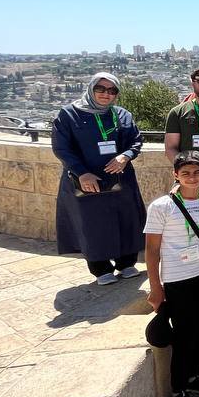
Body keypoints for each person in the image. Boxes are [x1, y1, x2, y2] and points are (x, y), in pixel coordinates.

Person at [143, 151, 199, 397]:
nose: (192, 177)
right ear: (175, 174)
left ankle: (193, 377)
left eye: (197, 172)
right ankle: (177, 391)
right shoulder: (161, 207)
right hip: (177, 280)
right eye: (186, 173)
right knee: (184, 336)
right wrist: (156, 288)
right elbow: (152, 251)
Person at [52, 72, 146, 284]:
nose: (106, 94)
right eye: (100, 89)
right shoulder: (69, 114)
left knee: (125, 219)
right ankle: (100, 268)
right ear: (91, 89)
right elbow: (61, 148)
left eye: (112, 90)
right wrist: (81, 172)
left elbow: (136, 141)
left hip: (120, 177)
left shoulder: (122, 115)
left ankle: (126, 263)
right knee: (92, 222)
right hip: (86, 178)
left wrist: (126, 156)